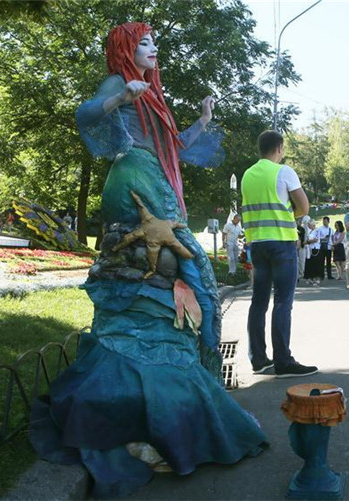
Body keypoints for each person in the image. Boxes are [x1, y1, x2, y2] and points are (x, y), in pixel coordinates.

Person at [29, 23, 265, 498]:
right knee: (159, 267)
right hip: (134, 184)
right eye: (145, 42)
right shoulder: (120, 80)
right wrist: (122, 96)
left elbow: (174, 147)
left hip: (156, 180)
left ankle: (161, 408)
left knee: (173, 272)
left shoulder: (153, 94)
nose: (153, 49)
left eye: (153, 42)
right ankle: (134, 412)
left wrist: (202, 119)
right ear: (125, 50)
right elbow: (88, 113)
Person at [242, 130, 318, 378]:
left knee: (259, 302)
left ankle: (258, 359)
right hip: (282, 243)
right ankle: (283, 361)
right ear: (279, 148)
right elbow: (303, 207)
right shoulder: (283, 171)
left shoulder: (247, 175)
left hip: (257, 245)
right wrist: (287, 217)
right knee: (283, 302)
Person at [304, 219, 323, 286]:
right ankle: (311, 278)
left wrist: (308, 242)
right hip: (310, 249)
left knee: (316, 264)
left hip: (316, 249)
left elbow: (316, 239)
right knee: (310, 264)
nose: (308, 226)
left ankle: (317, 279)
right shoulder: (310, 232)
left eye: (309, 225)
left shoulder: (317, 230)